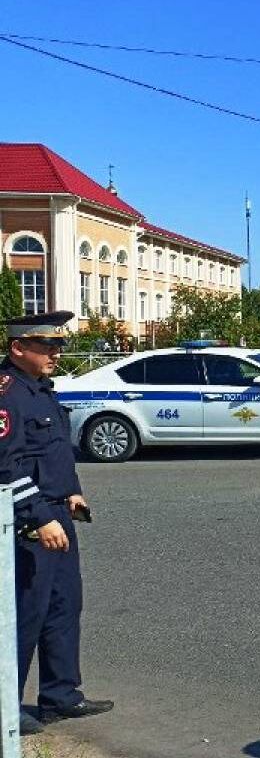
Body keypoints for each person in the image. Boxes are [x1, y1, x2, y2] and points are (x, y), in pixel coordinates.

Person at [0, 311, 113, 736]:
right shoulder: (7, 395)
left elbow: (51, 452)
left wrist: (71, 491)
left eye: (59, 346)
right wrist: (40, 516)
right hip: (30, 521)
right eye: (46, 346)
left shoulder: (40, 390)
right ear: (18, 348)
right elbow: (6, 468)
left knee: (64, 607)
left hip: (57, 512)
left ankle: (60, 696)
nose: (56, 354)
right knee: (25, 614)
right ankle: (6, 708)